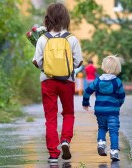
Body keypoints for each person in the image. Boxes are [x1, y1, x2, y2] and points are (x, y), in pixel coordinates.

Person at [32, 3, 83, 163]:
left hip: (48, 82)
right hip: (66, 81)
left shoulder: (42, 39)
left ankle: (53, 154)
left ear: (47, 19)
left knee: (50, 117)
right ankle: (66, 140)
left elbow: (37, 62)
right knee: (68, 113)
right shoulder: (71, 39)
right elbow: (78, 62)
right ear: (66, 19)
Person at [82, 55, 125, 161]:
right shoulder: (117, 82)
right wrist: (118, 104)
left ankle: (101, 143)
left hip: (100, 110)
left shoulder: (98, 80)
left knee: (102, 127)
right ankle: (114, 152)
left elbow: (87, 92)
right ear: (117, 68)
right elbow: (122, 96)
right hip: (113, 111)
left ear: (104, 67)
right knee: (113, 131)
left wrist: (86, 103)